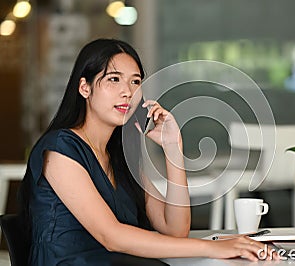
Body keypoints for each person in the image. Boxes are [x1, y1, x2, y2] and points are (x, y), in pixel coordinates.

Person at [19, 38, 273, 265]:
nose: (127, 92)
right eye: (114, 79)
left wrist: (173, 149)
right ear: (85, 88)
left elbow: (175, 229)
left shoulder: (120, 156)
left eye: (136, 81)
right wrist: (214, 247)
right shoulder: (61, 149)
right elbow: (112, 237)